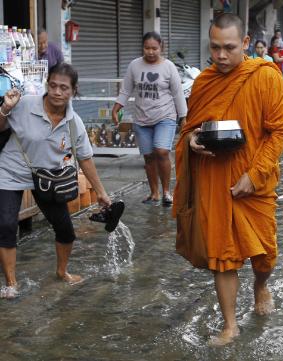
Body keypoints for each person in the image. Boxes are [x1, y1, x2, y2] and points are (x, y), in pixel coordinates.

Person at [172, 13, 283, 346]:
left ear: (245, 44)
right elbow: (189, 130)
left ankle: (261, 285)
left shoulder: (266, 78)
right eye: (214, 48)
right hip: (214, 178)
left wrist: (254, 176)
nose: (221, 56)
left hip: (255, 179)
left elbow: (280, 131)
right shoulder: (204, 82)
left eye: (228, 48)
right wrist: (193, 141)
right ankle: (230, 325)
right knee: (222, 255)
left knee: (265, 254)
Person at [0, 63, 111, 299]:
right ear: (46, 85)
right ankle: (11, 283)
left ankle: (62, 272)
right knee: (6, 225)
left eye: (64, 88)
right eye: (53, 86)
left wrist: (101, 191)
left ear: (73, 90)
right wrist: (5, 110)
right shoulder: (25, 104)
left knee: (65, 230)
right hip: (10, 171)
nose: (57, 92)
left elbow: (85, 158)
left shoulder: (75, 122)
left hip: (48, 179)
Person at [112, 32, 187, 206]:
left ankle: (167, 192)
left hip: (165, 116)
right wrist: (116, 108)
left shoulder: (169, 67)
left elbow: (177, 94)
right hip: (142, 118)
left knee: (161, 151)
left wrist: (183, 117)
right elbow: (126, 90)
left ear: (161, 47)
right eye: (147, 48)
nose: (151, 52)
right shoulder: (134, 66)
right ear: (142, 48)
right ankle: (154, 193)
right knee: (148, 157)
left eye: (154, 48)